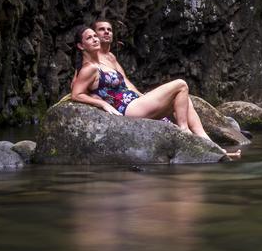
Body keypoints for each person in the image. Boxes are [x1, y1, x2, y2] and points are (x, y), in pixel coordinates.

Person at [69, 25, 240, 158]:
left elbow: (124, 82)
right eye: (89, 38)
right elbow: (76, 94)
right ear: (80, 45)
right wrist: (102, 103)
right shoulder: (88, 69)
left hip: (135, 101)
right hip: (129, 108)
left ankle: (214, 148)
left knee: (184, 99)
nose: (95, 39)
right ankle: (184, 131)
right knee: (181, 84)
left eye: (94, 36)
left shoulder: (104, 62)